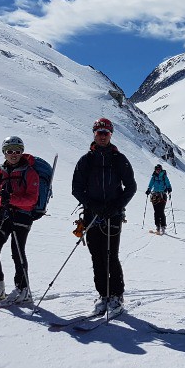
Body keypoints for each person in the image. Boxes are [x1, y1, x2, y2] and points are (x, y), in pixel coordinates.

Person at [72, 117, 137, 316]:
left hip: (113, 216)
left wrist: (116, 207)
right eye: (99, 133)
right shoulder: (86, 160)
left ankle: (116, 295)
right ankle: (103, 295)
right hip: (92, 216)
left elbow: (131, 187)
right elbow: (77, 189)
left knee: (111, 256)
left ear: (110, 135)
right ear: (94, 134)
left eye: (105, 133)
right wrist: (95, 206)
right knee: (96, 257)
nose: (102, 136)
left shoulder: (119, 160)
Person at [0, 136, 40, 304]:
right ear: (4, 153)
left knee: (17, 251)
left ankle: (23, 289)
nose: (13, 154)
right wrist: (2, 201)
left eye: (17, 151)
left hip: (22, 216)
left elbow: (31, 200)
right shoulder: (0, 174)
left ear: (22, 152)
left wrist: (11, 199)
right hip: (2, 215)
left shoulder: (30, 173)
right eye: (9, 151)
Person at [145, 164, 172, 234]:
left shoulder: (164, 176)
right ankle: (157, 226)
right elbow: (150, 184)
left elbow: (168, 183)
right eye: (156, 169)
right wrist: (148, 190)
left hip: (162, 195)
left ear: (161, 169)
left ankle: (163, 226)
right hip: (155, 195)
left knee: (161, 211)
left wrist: (169, 189)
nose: (158, 171)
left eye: (159, 169)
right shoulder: (153, 177)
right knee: (156, 211)